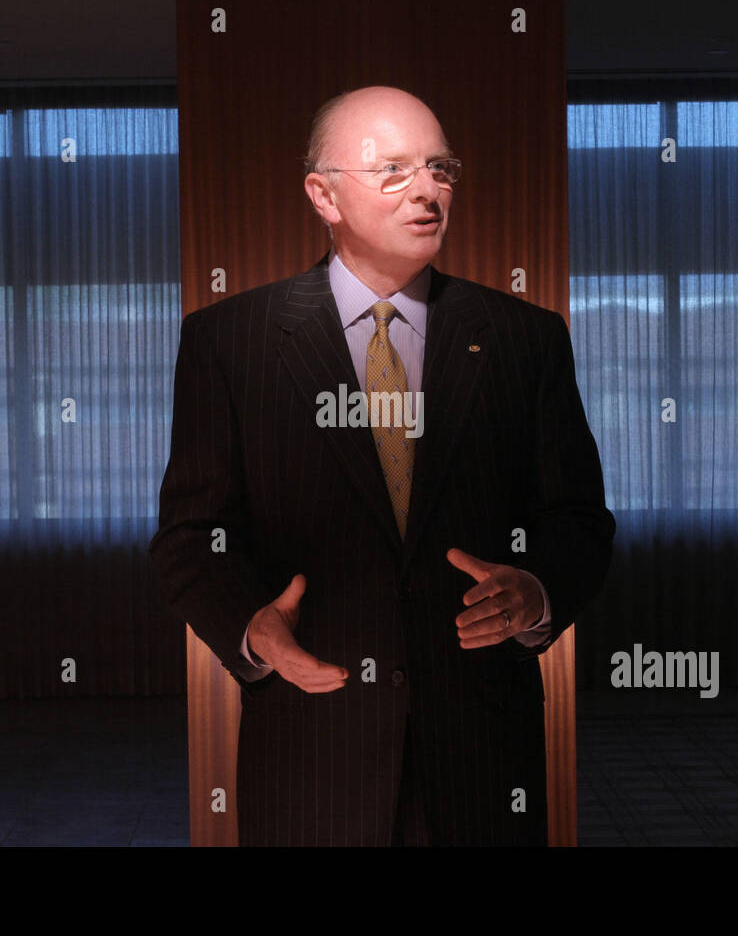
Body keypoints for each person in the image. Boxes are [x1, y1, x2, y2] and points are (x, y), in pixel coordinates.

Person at [149, 85, 614, 845]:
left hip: (483, 758)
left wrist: (535, 589)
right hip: (313, 754)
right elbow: (190, 538)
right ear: (322, 195)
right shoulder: (229, 342)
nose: (429, 189)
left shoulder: (525, 338)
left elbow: (579, 519)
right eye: (393, 171)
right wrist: (252, 628)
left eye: (440, 168)